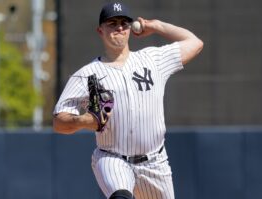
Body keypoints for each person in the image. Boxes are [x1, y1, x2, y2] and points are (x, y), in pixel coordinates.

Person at [53, 2, 203, 199]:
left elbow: (195, 43)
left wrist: (156, 26)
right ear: (100, 30)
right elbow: (58, 122)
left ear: (130, 28)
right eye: (112, 23)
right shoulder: (87, 75)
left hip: (155, 162)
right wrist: (83, 121)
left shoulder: (152, 60)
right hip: (112, 158)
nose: (119, 28)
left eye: (124, 23)